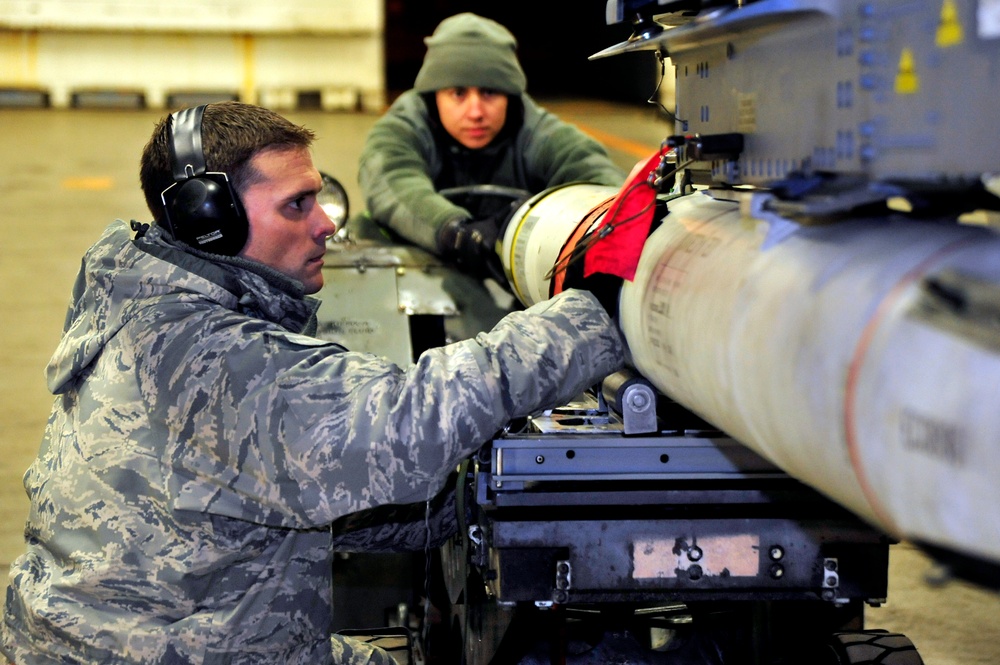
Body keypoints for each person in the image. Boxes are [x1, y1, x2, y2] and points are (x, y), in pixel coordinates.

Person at [0, 101, 624, 664]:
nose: (326, 223)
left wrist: (462, 507)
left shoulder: (144, 303)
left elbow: (272, 494)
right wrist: (595, 313)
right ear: (207, 221)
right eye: (297, 205)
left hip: (140, 631)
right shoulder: (209, 355)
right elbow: (405, 424)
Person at [357, 12, 627, 284]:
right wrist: (457, 232)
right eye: (458, 94)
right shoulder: (405, 127)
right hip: (421, 272)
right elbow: (392, 180)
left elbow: (597, 180)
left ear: (510, 96)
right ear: (433, 94)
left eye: (489, 93)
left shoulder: (536, 132)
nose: (475, 112)